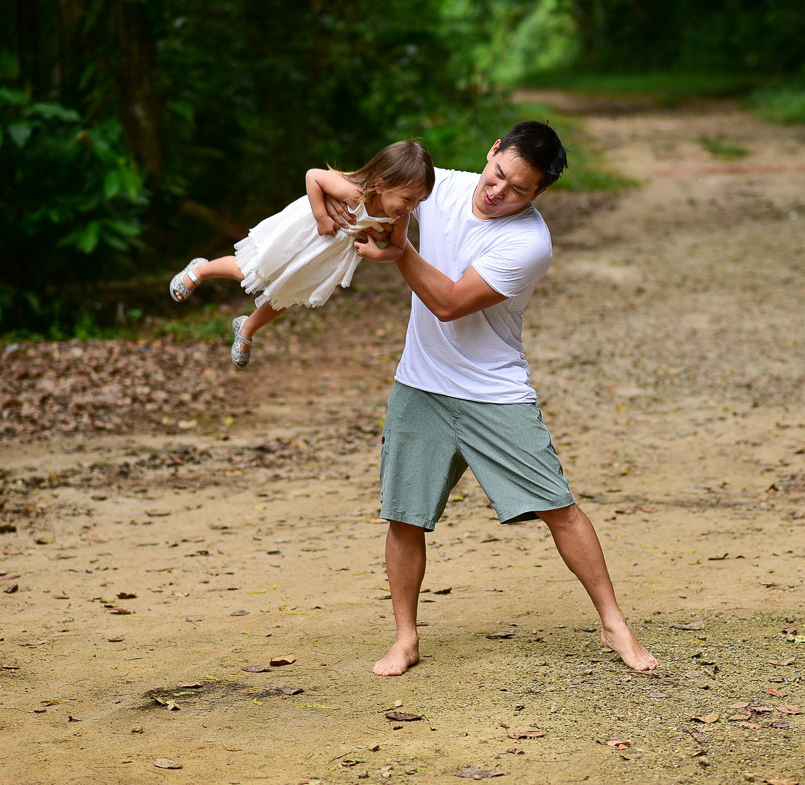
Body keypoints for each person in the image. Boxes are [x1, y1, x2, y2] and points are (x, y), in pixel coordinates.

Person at [319, 121, 658, 676]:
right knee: (404, 516)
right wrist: (323, 199)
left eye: (518, 189)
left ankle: (614, 625)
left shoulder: (529, 243)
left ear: (538, 194)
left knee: (558, 508)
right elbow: (360, 186)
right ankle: (405, 639)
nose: (498, 191)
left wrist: (400, 250)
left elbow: (450, 303)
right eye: (498, 174)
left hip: (493, 392)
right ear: (492, 151)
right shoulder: (440, 187)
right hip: (421, 385)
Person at [167, 141, 435, 367]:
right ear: (381, 184)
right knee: (251, 268)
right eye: (407, 199)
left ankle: (247, 328)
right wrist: (321, 217)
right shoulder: (354, 192)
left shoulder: (399, 218)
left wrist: (376, 254)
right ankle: (200, 270)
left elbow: (398, 249)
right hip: (304, 234)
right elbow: (313, 176)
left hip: (327, 257)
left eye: (419, 201)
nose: (412, 207)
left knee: (288, 294)